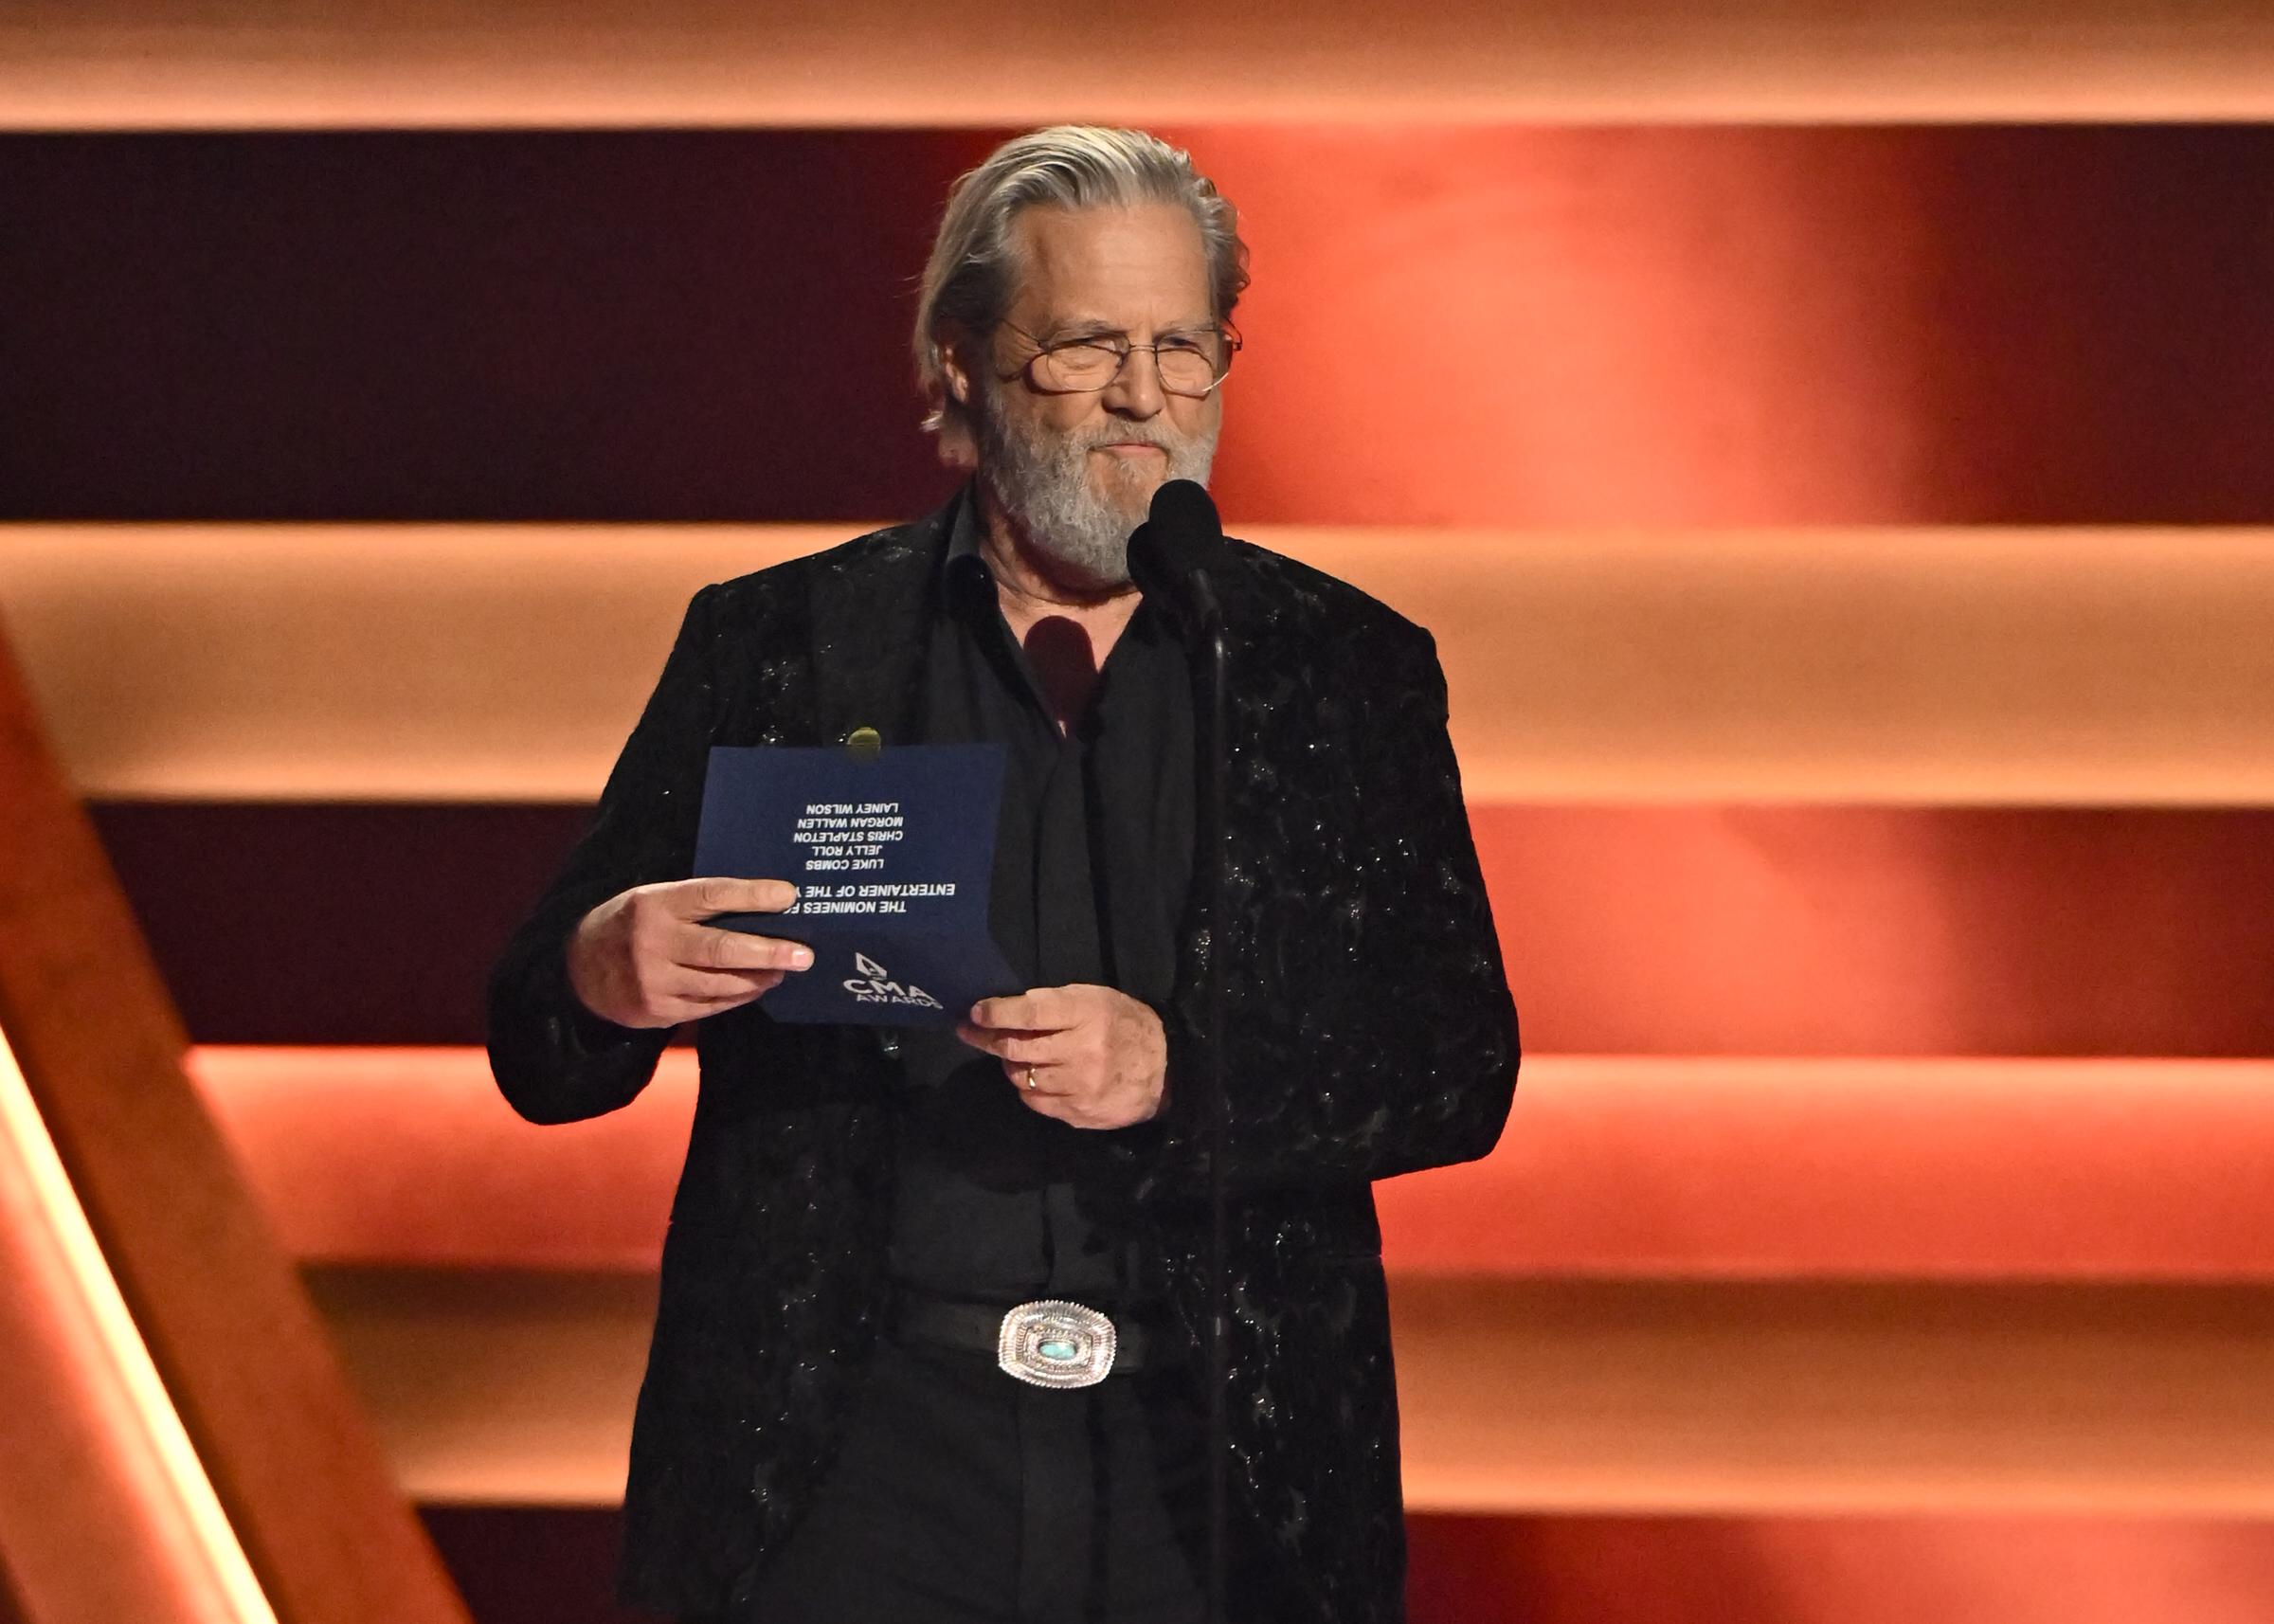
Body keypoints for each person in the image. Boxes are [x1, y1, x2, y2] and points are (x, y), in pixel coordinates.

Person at [487, 125, 1518, 1624]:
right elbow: (539, 1039)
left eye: (1184, 345)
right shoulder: (782, 641)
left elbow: (1452, 1065)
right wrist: (603, 969)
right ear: (962, 360)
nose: (1144, 397)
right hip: (854, 1456)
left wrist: (1183, 1067)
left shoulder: (1333, 671)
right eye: (1087, 344)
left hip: (1211, 1459)